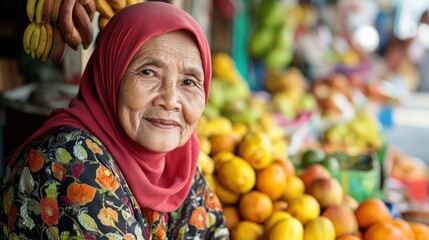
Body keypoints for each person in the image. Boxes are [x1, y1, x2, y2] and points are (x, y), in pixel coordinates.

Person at [0, 2, 229, 239]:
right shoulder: (68, 159)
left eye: (189, 82)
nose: (170, 100)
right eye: (148, 72)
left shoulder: (178, 161)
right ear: (111, 74)